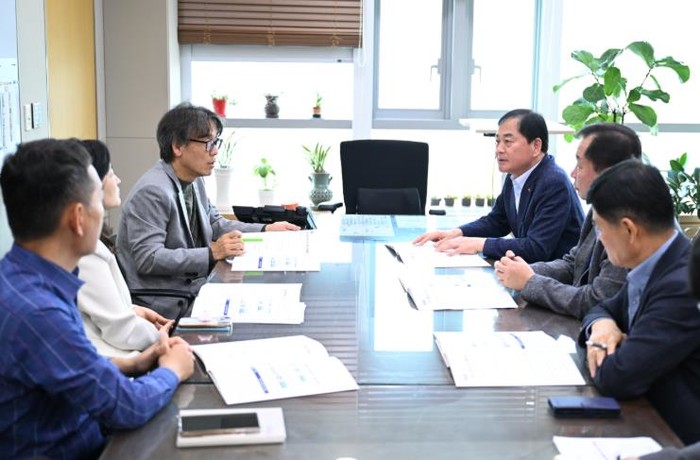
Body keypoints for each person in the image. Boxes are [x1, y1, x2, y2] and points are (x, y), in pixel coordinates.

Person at [0, 138, 194, 459]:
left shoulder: (23, 279)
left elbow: (63, 367)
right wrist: (173, 370)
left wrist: (133, 364)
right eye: (97, 201)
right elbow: (127, 407)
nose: (102, 212)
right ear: (77, 218)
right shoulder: (40, 312)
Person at [117, 102, 300, 318]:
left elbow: (215, 223)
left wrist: (265, 230)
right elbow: (149, 258)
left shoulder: (194, 180)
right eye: (207, 143)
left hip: (195, 286)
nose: (215, 151)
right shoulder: (153, 191)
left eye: (216, 142)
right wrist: (212, 252)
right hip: (165, 300)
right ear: (177, 146)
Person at [579, 160, 700, 445]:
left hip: (674, 438)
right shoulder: (657, 263)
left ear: (629, 230)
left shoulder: (681, 283)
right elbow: (602, 308)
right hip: (647, 418)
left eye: (600, 229)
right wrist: (603, 326)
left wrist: (599, 346)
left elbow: (618, 377)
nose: (599, 240)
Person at [494, 123, 641, 319]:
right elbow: (574, 263)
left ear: (607, 173)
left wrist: (529, 281)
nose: (572, 173)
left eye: (580, 166)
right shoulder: (602, 205)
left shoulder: (627, 224)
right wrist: (523, 271)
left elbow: (597, 301)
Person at [413, 109, 583, 262]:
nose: (499, 149)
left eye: (508, 142)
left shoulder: (553, 182)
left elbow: (536, 248)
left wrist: (479, 244)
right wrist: (457, 233)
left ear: (536, 146)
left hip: (559, 278)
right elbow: (498, 221)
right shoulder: (515, 175)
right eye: (497, 141)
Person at [78, 139, 170, 357]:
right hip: (117, 359)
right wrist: (164, 335)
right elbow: (122, 331)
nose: (117, 180)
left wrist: (132, 311)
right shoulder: (84, 252)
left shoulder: (91, 242)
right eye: (111, 173)